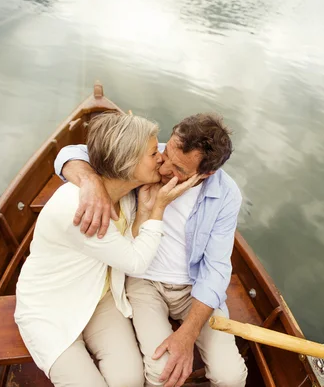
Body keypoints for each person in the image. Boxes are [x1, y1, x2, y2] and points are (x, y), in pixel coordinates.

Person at [55, 112, 248, 387]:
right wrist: (91, 182)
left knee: (231, 377)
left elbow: (216, 269)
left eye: (180, 170)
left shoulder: (226, 195)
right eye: (167, 153)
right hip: (144, 280)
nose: (165, 167)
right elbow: (70, 152)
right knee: (160, 373)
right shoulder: (149, 155)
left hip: (193, 289)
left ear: (207, 173)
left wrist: (188, 334)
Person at [14, 112, 199, 387]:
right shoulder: (78, 209)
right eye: (152, 153)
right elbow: (135, 263)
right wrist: (158, 208)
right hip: (49, 310)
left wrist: (144, 210)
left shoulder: (127, 193)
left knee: (129, 381)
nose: (161, 157)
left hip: (99, 298)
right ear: (127, 161)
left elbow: (132, 243)